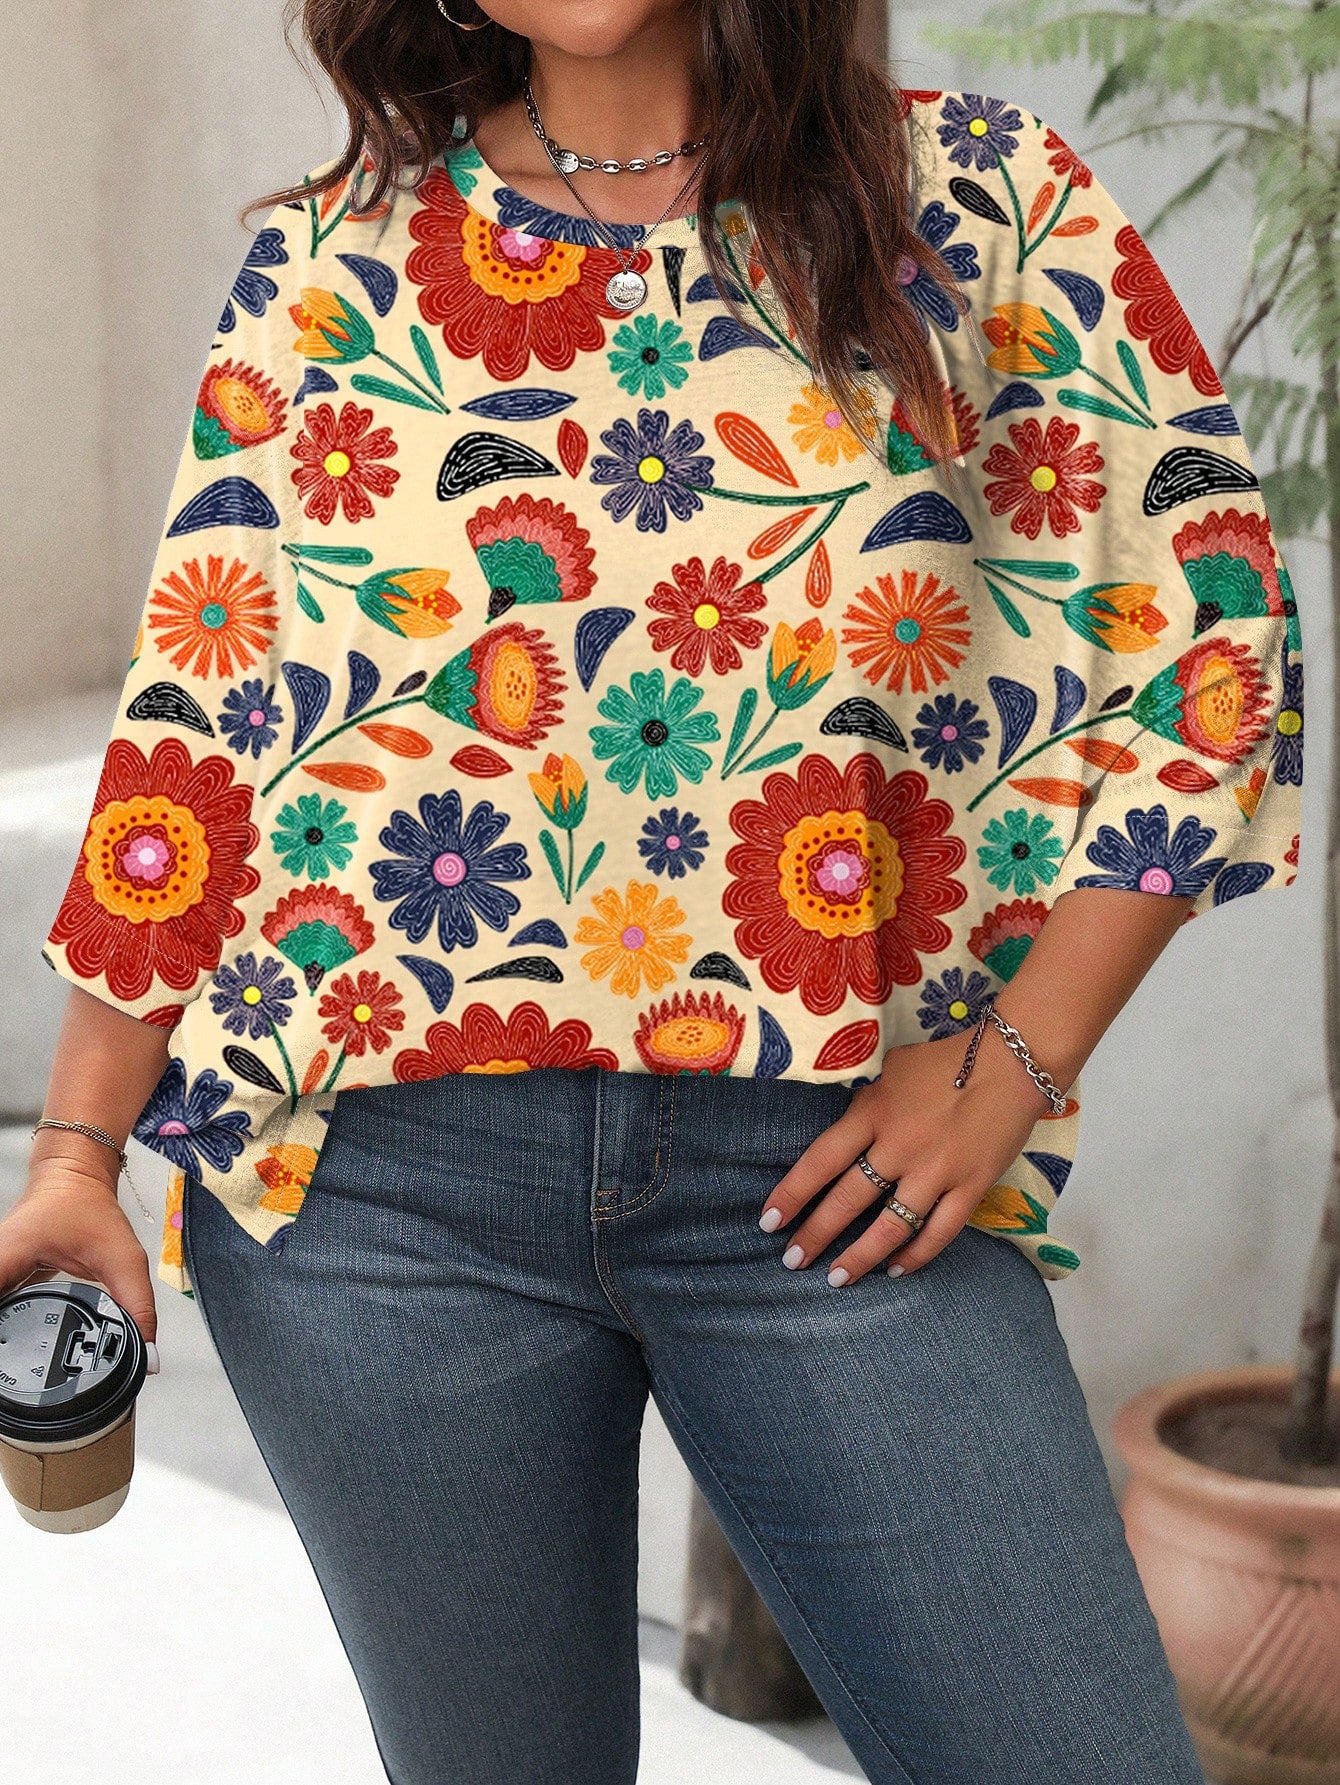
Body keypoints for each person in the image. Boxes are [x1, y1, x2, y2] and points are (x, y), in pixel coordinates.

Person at [6, 1, 1304, 1780]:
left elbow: (1213, 638)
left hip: (830, 1182)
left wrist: (1019, 1055)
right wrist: (77, 1155)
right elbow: (197, 726)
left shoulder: (981, 203)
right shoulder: (334, 257)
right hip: (382, 1204)